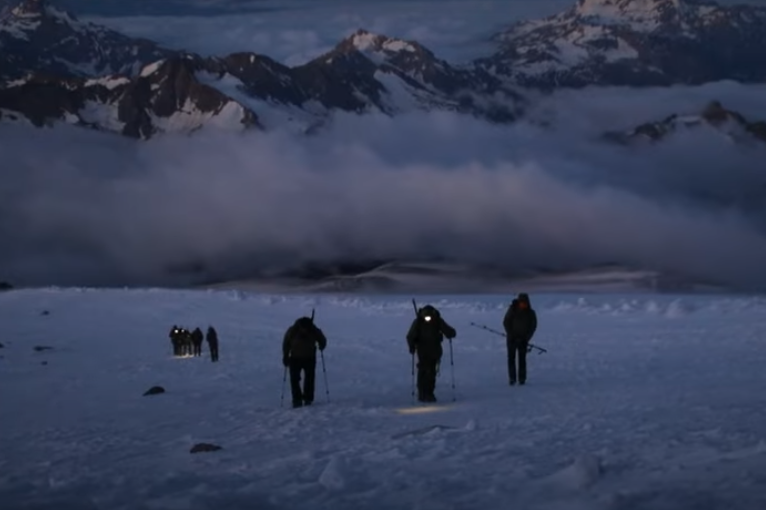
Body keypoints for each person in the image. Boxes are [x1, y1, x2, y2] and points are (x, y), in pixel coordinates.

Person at [406, 304, 456, 403]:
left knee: (432, 372)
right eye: (426, 316)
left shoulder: (437, 320)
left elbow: (448, 330)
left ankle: (429, 393)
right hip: (422, 351)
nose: (428, 318)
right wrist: (411, 346)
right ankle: (422, 393)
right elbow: (410, 336)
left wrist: (451, 333)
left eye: (429, 316)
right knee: (423, 371)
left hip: (435, 351)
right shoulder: (418, 322)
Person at [282, 316, 327, 408]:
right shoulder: (292, 331)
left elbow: (322, 339)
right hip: (295, 358)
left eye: (307, 329)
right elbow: (286, 343)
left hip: (310, 358)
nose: (305, 331)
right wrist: (285, 356)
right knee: (294, 379)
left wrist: (322, 345)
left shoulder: (313, 330)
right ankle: (297, 400)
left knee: (309, 379)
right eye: (303, 329)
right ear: (300, 327)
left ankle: (308, 399)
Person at [502, 293, 537, 385]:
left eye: (525, 303)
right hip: (511, 340)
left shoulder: (531, 313)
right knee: (511, 359)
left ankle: (522, 379)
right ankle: (512, 378)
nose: (523, 305)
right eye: (521, 303)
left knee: (522, 360)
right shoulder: (512, 310)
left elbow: (533, 327)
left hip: (523, 341)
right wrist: (512, 335)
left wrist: (526, 338)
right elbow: (506, 322)